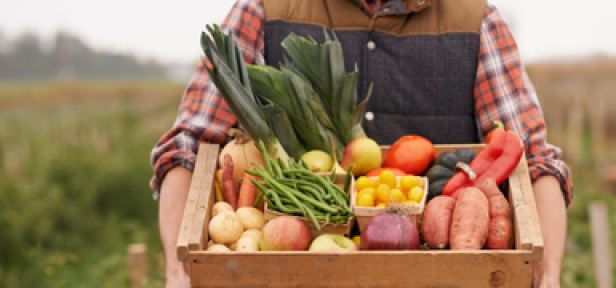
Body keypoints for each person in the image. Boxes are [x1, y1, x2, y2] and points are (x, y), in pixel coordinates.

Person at [150, 0, 572, 287]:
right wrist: (178, 268)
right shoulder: (266, 8)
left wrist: (547, 272)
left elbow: (534, 161)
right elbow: (189, 147)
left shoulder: (474, 17)